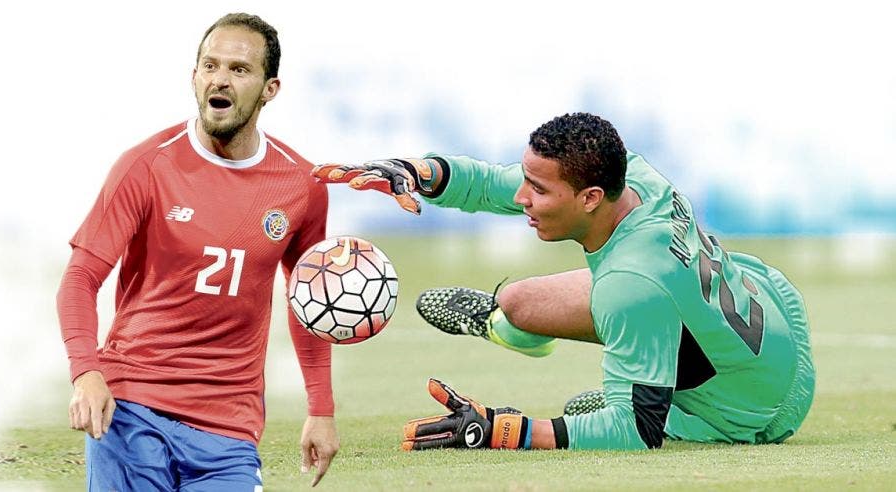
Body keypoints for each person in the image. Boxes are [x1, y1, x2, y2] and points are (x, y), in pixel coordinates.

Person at [313, 112, 815, 451]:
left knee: (625, 398)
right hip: (774, 315)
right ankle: (509, 325)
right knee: (516, 302)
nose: (521, 198)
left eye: (537, 189)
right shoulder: (630, 175)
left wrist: (503, 430)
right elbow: (490, 184)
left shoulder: (629, 283)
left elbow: (636, 431)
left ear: (591, 197)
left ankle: (655, 390)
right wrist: (414, 171)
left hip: (751, 409)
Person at [57, 13, 338, 489]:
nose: (220, 78)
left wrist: (321, 408)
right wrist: (86, 372)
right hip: (132, 409)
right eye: (210, 66)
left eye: (239, 69)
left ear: (270, 89)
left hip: (229, 426)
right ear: (194, 77)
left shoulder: (301, 186)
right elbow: (80, 278)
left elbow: (309, 300)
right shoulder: (146, 166)